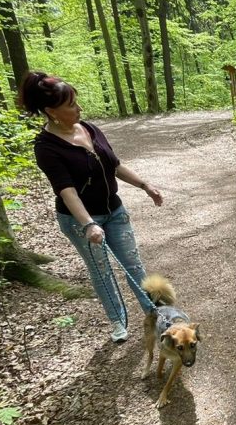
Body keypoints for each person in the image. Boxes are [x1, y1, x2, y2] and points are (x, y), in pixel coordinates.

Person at [20, 71, 163, 344]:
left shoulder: (90, 129)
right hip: (81, 220)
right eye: (71, 105)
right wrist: (88, 224)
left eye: (76, 102)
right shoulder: (46, 147)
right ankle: (118, 321)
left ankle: (155, 314)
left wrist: (145, 185)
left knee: (133, 264)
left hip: (114, 211)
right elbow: (66, 190)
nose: (79, 108)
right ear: (51, 111)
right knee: (101, 270)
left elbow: (115, 165)